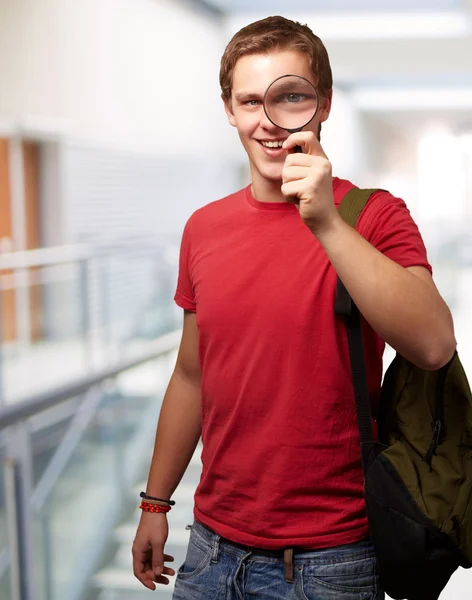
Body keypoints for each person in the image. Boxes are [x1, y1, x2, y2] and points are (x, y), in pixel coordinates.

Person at [132, 15, 456, 600]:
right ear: (229, 110)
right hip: (210, 551)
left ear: (323, 103)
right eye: (251, 100)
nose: (269, 121)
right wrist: (156, 502)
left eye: (290, 97)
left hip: (330, 560)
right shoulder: (203, 229)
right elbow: (190, 373)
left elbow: (433, 344)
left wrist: (326, 222)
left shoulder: (373, 215)